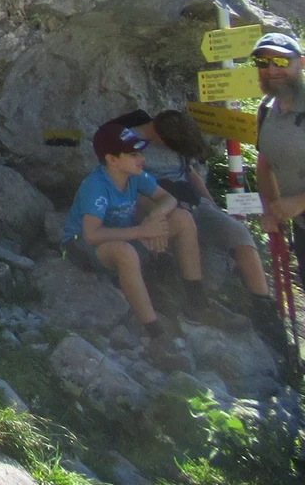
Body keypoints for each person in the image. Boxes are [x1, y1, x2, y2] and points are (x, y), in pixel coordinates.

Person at [103, 107, 274, 323]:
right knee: (183, 220)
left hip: (190, 200)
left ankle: (264, 309)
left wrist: (211, 206)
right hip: (150, 203)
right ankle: (196, 304)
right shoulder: (127, 142)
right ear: (160, 136)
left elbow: (190, 174)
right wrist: (157, 212)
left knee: (238, 234)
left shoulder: (177, 137)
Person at [63, 121, 211, 365]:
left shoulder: (135, 175)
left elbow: (168, 198)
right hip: (83, 247)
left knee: (182, 218)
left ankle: (197, 302)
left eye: (140, 152)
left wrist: (156, 217)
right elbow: (91, 235)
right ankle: (156, 334)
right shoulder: (96, 187)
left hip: (125, 234)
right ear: (112, 159)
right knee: (125, 252)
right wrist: (143, 230)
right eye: (133, 154)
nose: (141, 158)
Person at [255, 33, 305, 277]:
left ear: (301, 63)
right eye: (263, 63)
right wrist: (270, 210)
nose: (272, 70)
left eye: (282, 62)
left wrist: (299, 201)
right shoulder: (266, 109)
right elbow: (265, 163)